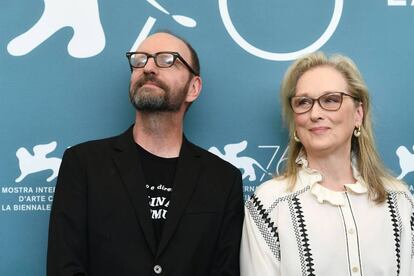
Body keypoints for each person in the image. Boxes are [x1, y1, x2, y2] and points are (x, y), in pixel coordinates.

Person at [47, 31, 244, 276]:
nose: (148, 67)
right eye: (140, 59)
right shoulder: (83, 164)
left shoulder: (223, 180)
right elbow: (64, 267)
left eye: (166, 59)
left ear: (193, 88)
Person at [240, 52, 414, 276]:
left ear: (358, 114)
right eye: (303, 102)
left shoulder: (400, 202)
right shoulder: (269, 204)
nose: (315, 113)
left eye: (331, 100)